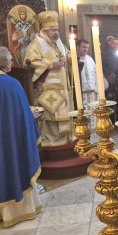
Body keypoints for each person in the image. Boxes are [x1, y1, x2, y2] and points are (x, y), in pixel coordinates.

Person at [0, 46, 42, 227]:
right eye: (10, 59)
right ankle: (14, 212)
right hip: (7, 140)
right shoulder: (12, 84)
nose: (11, 62)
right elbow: (23, 117)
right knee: (9, 164)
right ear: (6, 63)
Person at [24, 10, 73, 147]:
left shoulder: (58, 42)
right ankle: (52, 142)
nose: (56, 32)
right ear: (45, 30)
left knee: (64, 113)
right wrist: (50, 65)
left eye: (57, 29)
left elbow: (66, 54)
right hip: (47, 87)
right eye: (53, 30)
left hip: (63, 85)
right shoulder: (37, 43)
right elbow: (29, 61)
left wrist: (70, 57)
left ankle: (66, 139)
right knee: (51, 115)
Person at [77, 39, 97, 107]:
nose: (86, 49)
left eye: (87, 47)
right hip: (81, 93)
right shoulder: (73, 60)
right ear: (78, 47)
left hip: (92, 92)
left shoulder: (90, 59)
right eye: (84, 47)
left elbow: (96, 74)